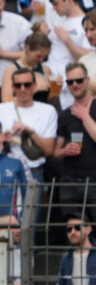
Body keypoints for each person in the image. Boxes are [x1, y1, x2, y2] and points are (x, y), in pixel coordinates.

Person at [0, 67, 58, 182]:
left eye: (27, 85)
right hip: (5, 169)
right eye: (18, 85)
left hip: (34, 171)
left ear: (35, 86)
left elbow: (49, 151)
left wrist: (30, 132)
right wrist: (4, 139)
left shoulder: (48, 111)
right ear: (13, 87)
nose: (22, 89)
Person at [54, 63, 96, 214]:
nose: (75, 85)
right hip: (70, 181)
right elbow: (55, 153)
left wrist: (84, 116)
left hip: (94, 180)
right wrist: (65, 150)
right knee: (73, 232)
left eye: (79, 80)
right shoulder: (65, 115)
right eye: (70, 82)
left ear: (87, 80)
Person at [54, 213, 96, 285]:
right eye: (69, 229)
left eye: (77, 228)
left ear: (88, 229)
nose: (73, 232)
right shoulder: (66, 259)